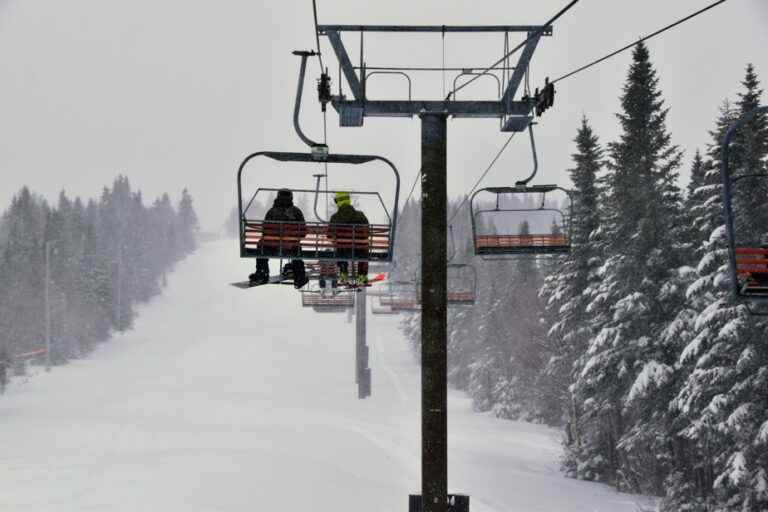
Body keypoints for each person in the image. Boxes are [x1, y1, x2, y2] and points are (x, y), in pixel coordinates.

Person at [250, 189, 309, 289]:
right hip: (291, 248)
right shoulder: (296, 212)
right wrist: (293, 238)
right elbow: (303, 232)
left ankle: (262, 272)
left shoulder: (271, 212)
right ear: (291, 197)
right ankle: (299, 276)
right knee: (296, 246)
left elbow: (265, 230)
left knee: (261, 244)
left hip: (271, 247)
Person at [328, 191, 369, 285]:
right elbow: (367, 232)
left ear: (338, 202)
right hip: (360, 250)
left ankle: (343, 272)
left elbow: (329, 235)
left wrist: (337, 240)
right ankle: (362, 275)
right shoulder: (360, 215)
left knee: (339, 247)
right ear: (348, 200)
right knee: (365, 248)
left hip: (343, 250)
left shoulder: (335, 217)